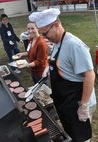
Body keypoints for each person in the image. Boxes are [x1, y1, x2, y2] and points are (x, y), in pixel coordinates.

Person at [29, 8, 97, 142]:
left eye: (45, 33)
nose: (44, 37)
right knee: (70, 135)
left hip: (78, 103)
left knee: (81, 138)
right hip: (67, 103)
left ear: (56, 25)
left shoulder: (73, 45)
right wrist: (49, 68)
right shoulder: (58, 43)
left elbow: (90, 75)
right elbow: (61, 63)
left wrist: (83, 106)